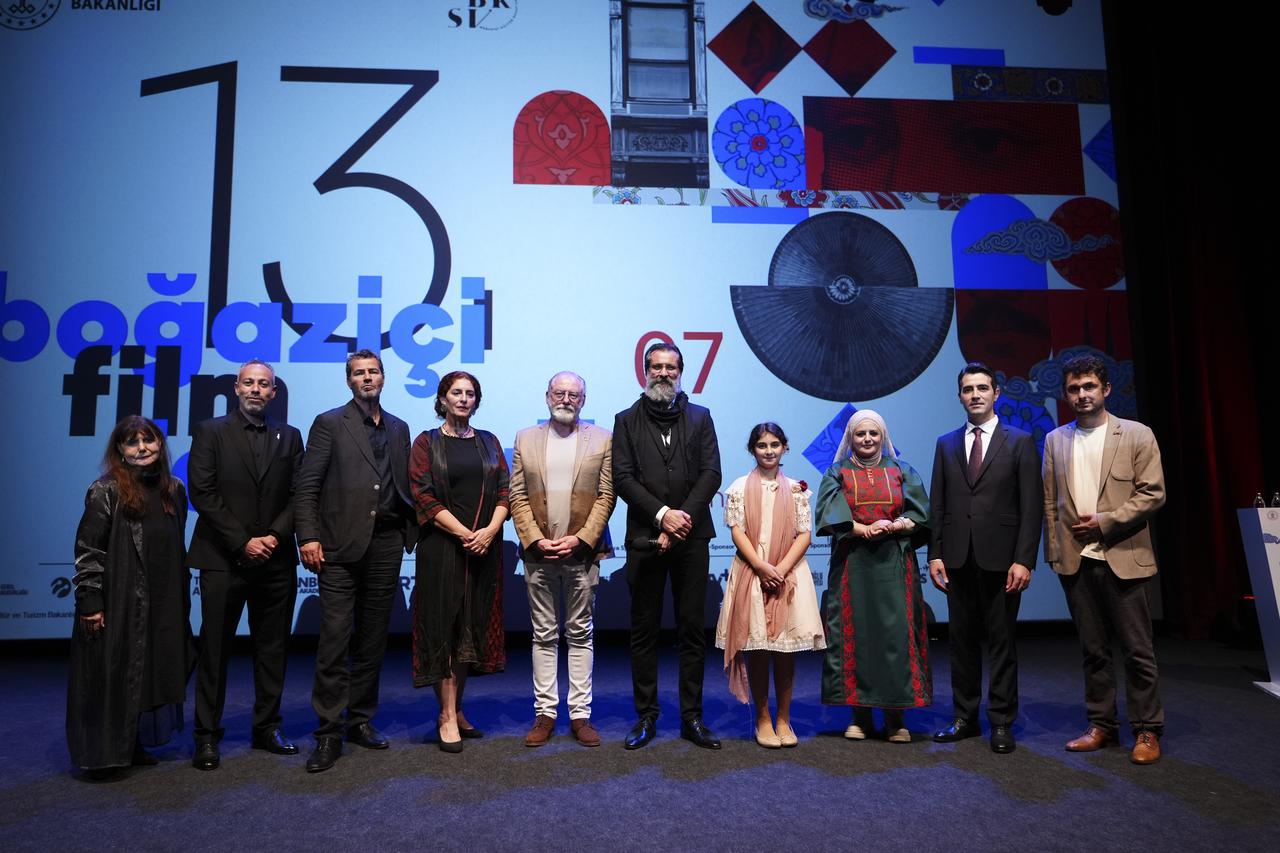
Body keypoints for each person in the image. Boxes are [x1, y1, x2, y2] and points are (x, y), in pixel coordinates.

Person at [295, 349, 417, 772]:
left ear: (384, 377)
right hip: (339, 548)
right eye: (359, 373)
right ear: (349, 381)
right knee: (334, 641)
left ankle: (360, 721)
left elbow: (403, 486)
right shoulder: (330, 423)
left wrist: (410, 530)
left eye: (374, 371)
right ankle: (328, 733)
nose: (368, 378)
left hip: (385, 545)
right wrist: (307, 535)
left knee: (371, 642)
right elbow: (307, 485)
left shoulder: (400, 428)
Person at [1042, 354, 1167, 764]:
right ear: (1066, 394)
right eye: (1074, 389)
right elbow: (1050, 502)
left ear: (1106, 389)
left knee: (1137, 650)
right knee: (1093, 651)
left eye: (1089, 387)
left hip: (1124, 555)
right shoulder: (1055, 440)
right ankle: (1102, 725)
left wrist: (1106, 522)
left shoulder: (1136, 434)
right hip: (1077, 562)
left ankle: (1147, 730)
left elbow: (1153, 494)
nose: (1081, 395)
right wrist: (1056, 552)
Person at [186, 360, 304, 770]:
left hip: (275, 558)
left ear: (274, 393)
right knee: (215, 649)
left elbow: (299, 493)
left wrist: (273, 536)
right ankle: (206, 736)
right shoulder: (209, 431)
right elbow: (202, 492)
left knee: (272, 649)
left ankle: (266, 727)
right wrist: (242, 542)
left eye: (264, 384)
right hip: (223, 558)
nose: (256, 389)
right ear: (236, 388)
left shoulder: (289, 436)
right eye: (249, 383)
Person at [68, 415, 194, 778]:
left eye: (149, 440)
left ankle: (132, 744)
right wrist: (91, 603)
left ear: (159, 445)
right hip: (121, 597)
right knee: (113, 674)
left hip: (163, 597)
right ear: (120, 451)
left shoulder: (174, 489)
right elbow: (88, 551)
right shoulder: (105, 490)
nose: (142, 448)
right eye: (132, 442)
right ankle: (104, 755)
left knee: (148, 672)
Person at [613, 342, 723, 750]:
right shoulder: (626, 421)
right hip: (645, 540)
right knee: (643, 631)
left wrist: (679, 521)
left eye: (670, 367)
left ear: (681, 372)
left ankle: (692, 718)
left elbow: (712, 472)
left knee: (692, 630)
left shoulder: (700, 417)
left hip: (691, 540)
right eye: (656, 367)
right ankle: (646, 717)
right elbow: (623, 478)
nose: (663, 373)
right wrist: (662, 515)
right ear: (645, 371)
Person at [927, 363, 1042, 754]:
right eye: (967, 389)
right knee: (960, 643)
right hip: (957, 559)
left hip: (1003, 560)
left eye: (982, 388)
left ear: (997, 394)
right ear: (959, 396)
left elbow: (1032, 507)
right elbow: (937, 503)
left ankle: (1002, 721)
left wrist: (1024, 559)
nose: (974, 394)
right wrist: (935, 553)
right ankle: (964, 716)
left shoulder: (1020, 441)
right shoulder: (945, 443)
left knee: (1001, 642)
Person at [510, 371, 616, 748]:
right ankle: (545, 714)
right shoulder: (526, 438)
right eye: (560, 392)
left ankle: (580, 715)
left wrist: (582, 538)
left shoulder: (602, 438)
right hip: (538, 553)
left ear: (583, 400)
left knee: (581, 633)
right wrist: (536, 539)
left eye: (574, 394)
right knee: (543, 634)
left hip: (582, 553)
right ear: (547, 396)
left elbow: (606, 495)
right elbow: (517, 495)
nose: (566, 399)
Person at [816, 410, 931, 742]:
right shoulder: (836, 472)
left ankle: (896, 718)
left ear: (883, 436)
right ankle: (860, 715)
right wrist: (863, 529)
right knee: (856, 635)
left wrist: (895, 525)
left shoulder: (902, 470)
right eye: (860, 434)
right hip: (853, 564)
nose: (867, 439)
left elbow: (921, 513)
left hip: (894, 565)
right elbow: (829, 514)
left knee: (895, 636)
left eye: (873, 434)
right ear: (850, 438)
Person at [409, 371, 509, 753]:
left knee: (470, 628)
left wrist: (488, 531)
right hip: (443, 548)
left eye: (470, 393)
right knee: (444, 628)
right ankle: (446, 715)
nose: (463, 399)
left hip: (484, 548)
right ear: (443, 399)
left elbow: (505, 490)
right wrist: (465, 533)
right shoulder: (426, 443)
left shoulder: (488, 442)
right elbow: (424, 496)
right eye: (456, 393)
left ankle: (457, 708)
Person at [714, 423, 824, 748]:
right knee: (758, 649)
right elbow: (737, 532)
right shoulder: (737, 488)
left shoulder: (797, 489)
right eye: (762, 445)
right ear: (753, 449)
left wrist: (781, 570)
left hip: (788, 573)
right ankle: (763, 718)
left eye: (775, 444)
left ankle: (784, 719)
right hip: (752, 571)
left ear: (785, 447)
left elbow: (804, 534)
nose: (769, 450)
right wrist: (762, 567)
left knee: (785, 651)